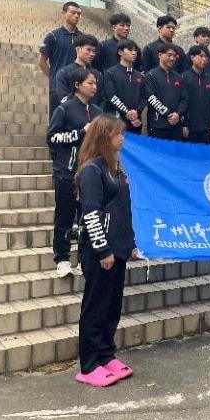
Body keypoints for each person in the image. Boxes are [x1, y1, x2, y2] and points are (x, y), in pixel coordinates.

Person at [75, 114, 138, 387]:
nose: (122, 138)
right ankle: (89, 365)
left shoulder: (117, 169)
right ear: (104, 137)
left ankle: (106, 355)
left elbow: (124, 210)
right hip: (101, 252)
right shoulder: (92, 170)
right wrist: (102, 251)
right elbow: (91, 214)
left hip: (119, 249)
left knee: (112, 307)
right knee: (95, 308)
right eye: (117, 133)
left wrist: (130, 243)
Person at [46, 68, 103, 277]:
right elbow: (52, 137)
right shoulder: (64, 109)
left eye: (96, 83)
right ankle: (62, 258)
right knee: (65, 217)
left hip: (91, 173)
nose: (94, 87)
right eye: (90, 83)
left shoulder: (97, 111)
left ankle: (83, 258)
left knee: (88, 216)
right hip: (67, 173)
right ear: (77, 85)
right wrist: (81, 132)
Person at [38, 1, 83, 118]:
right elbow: (41, 62)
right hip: (57, 88)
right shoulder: (52, 36)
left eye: (79, 14)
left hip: (78, 88)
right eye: (73, 12)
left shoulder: (83, 38)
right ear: (64, 14)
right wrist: (54, 78)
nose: (76, 16)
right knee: (57, 119)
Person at [143, 42, 188, 141]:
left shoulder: (179, 77)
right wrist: (168, 114)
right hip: (157, 125)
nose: (172, 58)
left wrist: (178, 114)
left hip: (176, 125)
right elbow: (151, 98)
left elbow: (184, 100)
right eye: (169, 55)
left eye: (174, 56)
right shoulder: (150, 76)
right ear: (160, 55)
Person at [103, 40, 146, 134]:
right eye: (130, 50)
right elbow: (112, 96)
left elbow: (144, 97)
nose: (134, 53)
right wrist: (127, 112)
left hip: (136, 123)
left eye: (135, 50)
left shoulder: (139, 75)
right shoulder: (110, 73)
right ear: (120, 52)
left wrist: (136, 111)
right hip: (116, 122)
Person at [182, 45, 210, 144]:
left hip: (207, 128)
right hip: (189, 128)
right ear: (192, 57)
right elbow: (182, 103)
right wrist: (184, 124)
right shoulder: (183, 78)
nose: (204, 59)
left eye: (206, 57)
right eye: (201, 56)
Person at [55, 34, 103, 106]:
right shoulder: (64, 73)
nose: (92, 54)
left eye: (94, 51)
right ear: (78, 49)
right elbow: (63, 99)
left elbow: (102, 98)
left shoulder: (97, 74)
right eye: (88, 50)